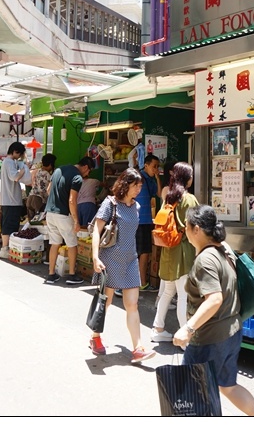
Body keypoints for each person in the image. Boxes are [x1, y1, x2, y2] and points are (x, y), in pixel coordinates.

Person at [173, 204, 254, 416]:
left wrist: (188, 328)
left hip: (209, 338)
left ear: (196, 229)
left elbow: (214, 299)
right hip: (231, 332)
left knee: (196, 393)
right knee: (227, 386)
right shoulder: (224, 249)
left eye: (186, 226)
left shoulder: (206, 260)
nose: (184, 230)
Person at [90, 168, 155, 363]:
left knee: (132, 304)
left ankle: (137, 348)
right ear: (125, 185)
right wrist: (95, 257)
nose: (138, 189)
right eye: (136, 185)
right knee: (106, 302)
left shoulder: (136, 207)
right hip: (109, 259)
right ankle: (95, 337)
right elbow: (96, 230)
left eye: (140, 186)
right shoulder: (110, 204)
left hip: (130, 260)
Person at [151, 162, 199, 344]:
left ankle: (157, 328)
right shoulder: (189, 199)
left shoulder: (169, 197)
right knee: (183, 296)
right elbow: (195, 229)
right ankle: (184, 339)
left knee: (168, 292)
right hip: (183, 252)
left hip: (168, 250)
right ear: (187, 178)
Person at [42, 157, 85, 286]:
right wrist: (76, 220)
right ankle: (72, 274)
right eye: (88, 172)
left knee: (54, 243)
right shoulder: (77, 177)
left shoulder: (58, 170)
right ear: (86, 168)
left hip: (50, 212)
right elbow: (72, 200)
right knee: (72, 244)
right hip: (63, 214)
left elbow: (48, 190)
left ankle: (51, 274)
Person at [134, 153, 161, 291]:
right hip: (137, 220)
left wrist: (157, 177)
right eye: (154, 166)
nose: (156, 169)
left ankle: (139, 282)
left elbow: (160, 194)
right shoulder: (137, 178)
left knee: (143, 252)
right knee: (140, 252)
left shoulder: (150, 180)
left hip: (145, 221)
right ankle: (141, 282)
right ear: (146, 165)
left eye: (158, 167)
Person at [0, 141, 27, 260]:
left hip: (7, 199)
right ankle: (5, 249)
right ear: (15, 152)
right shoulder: (9, 162)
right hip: (11, 200)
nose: (19, 157)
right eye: (19, 154)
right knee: (10, 225)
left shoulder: (7, 162)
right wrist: (23, 171)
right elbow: (14, 177)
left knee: (6, 224)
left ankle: (5, 248)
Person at [26, 153, 56, 223]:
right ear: (50, 164)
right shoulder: (48, 175)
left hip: (30, 198)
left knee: (31, 223)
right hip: (38, 200)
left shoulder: (37, 171)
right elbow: (45, 191)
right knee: (38, 223)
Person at [75, 157, 103, 226]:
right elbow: (104, 184)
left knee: (79, 227)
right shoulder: (94, 181)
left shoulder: (77, 181)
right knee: (87, 228)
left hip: (77, 206)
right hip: (88, 206)